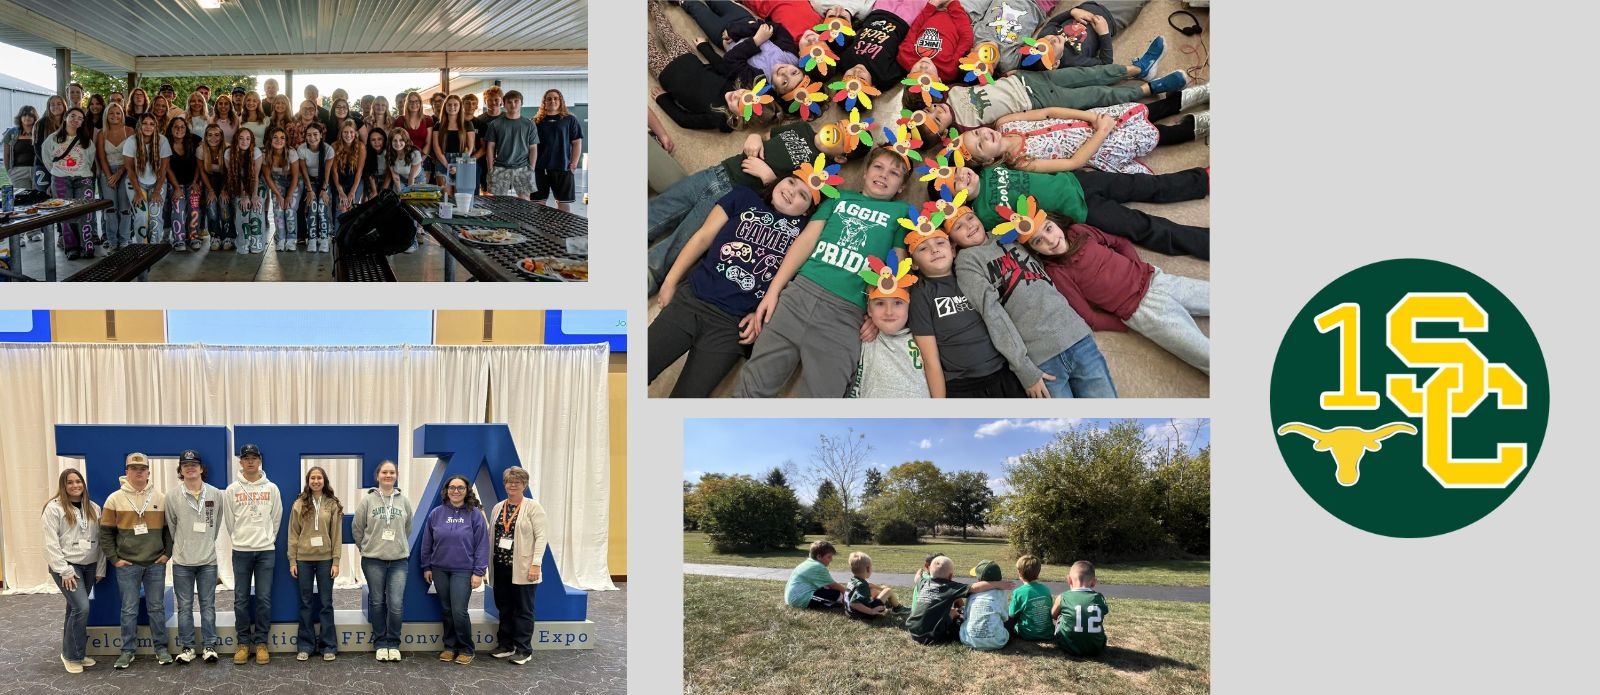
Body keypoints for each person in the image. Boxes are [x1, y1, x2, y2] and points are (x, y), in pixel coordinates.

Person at [735, 146, 912, 397]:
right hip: (799, 296)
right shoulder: (837, 198)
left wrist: (880, 314)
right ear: (865, 172)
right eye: (878, 167)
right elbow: (805, 243)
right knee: (751, 387)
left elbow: (897, 267)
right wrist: (773, 292)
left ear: (902, 186)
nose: (884, 175)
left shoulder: (901, 213)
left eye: (894, 173)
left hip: (846, 316)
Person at [647, 177, 815, 397]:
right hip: (692, 300)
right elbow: (703, 237)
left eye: (803, 195)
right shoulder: (744, 197)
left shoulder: (805, 234)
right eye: (792, 182)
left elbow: (794, 284)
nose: (792, 191)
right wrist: (670, 280)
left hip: (731, 327)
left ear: (807, 211)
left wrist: (761, 315)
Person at [947, 194, 1116, 398]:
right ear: (952, 242)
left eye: (970, 218)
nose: (969, 226)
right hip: (1041, 359)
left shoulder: (1009, 232)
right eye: (958, 227)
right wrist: (1024, 369)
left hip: (1077, 337)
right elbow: (992, 315)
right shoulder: (967, 261)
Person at [1027, 212, 1209, 373]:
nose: (1050, 240)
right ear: (1035, 251)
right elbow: (1089, 317)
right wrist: (1125, 324)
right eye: (1038, 241)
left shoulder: (1078, 231)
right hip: (1143, 311)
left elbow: (1120, 243)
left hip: (1156, 279)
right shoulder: (1057, 272)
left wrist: (1137, 267)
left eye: (1048, 228)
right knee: (1202, 353)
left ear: (1057, 223)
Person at [951, 162, 1210, 259]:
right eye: (955, 183)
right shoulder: (981, 214)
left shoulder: (989, 169)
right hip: (1080, 211)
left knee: (1142, 184)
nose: (961, 175)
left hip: (1076, 180)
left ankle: (1201, 181)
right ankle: (1204, 242)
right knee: (1140, 226)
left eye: (957, 170)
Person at [905, 200, 1027, 397]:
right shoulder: (922, 293)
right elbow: (930, 360)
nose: (934, 250)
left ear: (953, 249)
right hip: (963, 384)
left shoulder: (971, 271)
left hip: (1003, 370)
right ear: (914, 264)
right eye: (923, 248)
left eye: (940, 243)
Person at [910, 51, 1183, 136]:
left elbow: (980, 81)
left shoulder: (950, 92)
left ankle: (1138, 68)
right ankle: (1151, 88)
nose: (937, 110)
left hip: (1028, 79)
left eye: (929, 110)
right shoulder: (965, 130)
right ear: (943, 133)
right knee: (1096, 95)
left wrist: (1007, 75)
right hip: (1038, 102)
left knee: (1088, 74)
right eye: (936, 120)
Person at [960, 99, 1208, 176]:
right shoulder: (1020, 163)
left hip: (1090, 121)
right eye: (981, 144)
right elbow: (1073, 163)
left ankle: (1198, 94)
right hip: (1100, 145)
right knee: (1157, 135)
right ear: (988, 161)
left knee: (1147, 109)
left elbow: (1048, 112)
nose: (985, 135)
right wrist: (1102, 131)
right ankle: (1202, 124)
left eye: (977, 132)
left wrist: (1092, 118)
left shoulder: (1004, 123)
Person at [648, 0, 780, 132]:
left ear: (741, 118)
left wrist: (663, 100)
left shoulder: (718, 119)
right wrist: (704, 47)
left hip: (665, 73)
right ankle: (652, 4)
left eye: (739, 103)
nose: (736, 95)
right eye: (744, 94)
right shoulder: (735, 84)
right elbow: (719, 65)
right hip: (685, 57)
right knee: (665, 29)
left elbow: (684, 119)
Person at [100, 452, 174, 669]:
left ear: (148, 472)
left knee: (156, 608)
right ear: (127, 472)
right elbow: (105, 533)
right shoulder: (114, 499)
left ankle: (161, 648)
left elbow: (169, 531)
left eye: (142, 469)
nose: (138, 472)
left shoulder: (160, 498)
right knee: (129, 609)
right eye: (134, 469)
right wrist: (115, 559)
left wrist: (167, 554)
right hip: (128, 564)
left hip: (155, 563)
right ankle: (127, 651)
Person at [222, 443, 282, 666]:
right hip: (241, 551)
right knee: (241, 599)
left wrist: (267, 538)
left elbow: (276, 518)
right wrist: (239, 538)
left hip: (266, 551)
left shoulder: (272, 488)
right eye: (246, 458)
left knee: (264, 599)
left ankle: (261, 643)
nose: (250, 461)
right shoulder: (232, 490)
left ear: (260, 461)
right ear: (240, 462)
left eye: (254, 458)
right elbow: (229, 521)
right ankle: (243, 643)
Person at [419, 474, 489, 665]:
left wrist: (479, 572)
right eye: (452, 487)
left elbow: (482, 544)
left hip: (463, 570)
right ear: (446, 491)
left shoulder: (475, 514)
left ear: (467, 491)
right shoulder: (436, 514)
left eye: (460, 488)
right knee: (447, 609)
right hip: (439, 569)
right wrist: (426, 566)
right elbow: (427, 543)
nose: (456, 491)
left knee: (459, 611)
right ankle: (449, 646)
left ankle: (466, 648)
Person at [42, 468, 105, 674]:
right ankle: (71, 656)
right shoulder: (54, 508)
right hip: (68, 566)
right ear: (63, 485)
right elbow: (50, 543)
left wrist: (100, 567)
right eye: (70, 482)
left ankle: (75, 651)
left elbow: (101, 541)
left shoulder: (94, 508)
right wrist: (64, 571)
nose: (75, 485)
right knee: (82, 608)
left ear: (83, 484)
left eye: (78, 481)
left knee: (74, 609)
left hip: (89, 565)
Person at [351, 460, 414, 663]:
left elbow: (408, 527)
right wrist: (366, 548)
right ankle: (380, 643)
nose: (388, 475)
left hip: (398, 561)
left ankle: (393, 643)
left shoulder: (404, 500)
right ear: (377, 476)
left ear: (396, 476)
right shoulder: (367, 500)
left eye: (392, 472)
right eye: (384, 472)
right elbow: (357, 528)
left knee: (396, 604)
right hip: (373, 561)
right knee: (377, 602)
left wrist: (397, 545)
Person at [163, 449, 222, 664]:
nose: (190, 468)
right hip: (182, 562)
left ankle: (209, 646)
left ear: (201, 469)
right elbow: (172, 526)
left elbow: (215, 525)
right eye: (185, 465)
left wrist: (205, 542)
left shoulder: (215, 494)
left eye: (194, 465)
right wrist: (185, 544)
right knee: (184, 607)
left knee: (208, 605)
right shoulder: (172, 496)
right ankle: (187, 647)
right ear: (180, 470)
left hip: (208, 561)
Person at [846, 245, 929, 398]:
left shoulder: (923, 338)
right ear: (869, 309)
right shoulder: (864, 336)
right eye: (880, 303)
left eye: (898, 303)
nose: (889, 312)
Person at [486, 467, 547, 666]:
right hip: (501, 567)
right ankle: (506, 645)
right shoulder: (498, 507)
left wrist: (536, 564)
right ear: (505, 484)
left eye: (517, 482)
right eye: (509, 481)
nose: (512, 485)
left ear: (524, 485)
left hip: (523, 568)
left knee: (523, 610)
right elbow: (492, 535)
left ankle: (523, 649)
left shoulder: (533, 507)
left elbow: (541, 538)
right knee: (504, 607)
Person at [288, 467, 342, 662]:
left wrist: (336, 561)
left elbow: (336, 535)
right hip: (303, 559)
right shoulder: (299, 503)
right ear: (308, 481)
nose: (316, 481)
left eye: (319, 478)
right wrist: (292, 560)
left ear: (324, 480)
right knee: (306, 602)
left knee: (326, 603)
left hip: (326, 560)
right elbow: (293, 533)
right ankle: (305, 645)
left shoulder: (332, 504)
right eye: (313, 478)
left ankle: (329, 646)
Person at [905, 555, 1011, 645]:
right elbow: (974, 587)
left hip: (913, 630)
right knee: (955, 613)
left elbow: (917, 578)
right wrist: (996, 584)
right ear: (951, 576)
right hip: (932, 635)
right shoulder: (949, 586)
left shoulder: (923, 582)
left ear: (929, 572)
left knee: (952, 612)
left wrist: (919, 571)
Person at [46, 107, 98, 259]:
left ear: (82, 123)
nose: (76, 120)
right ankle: (71, 248)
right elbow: (47, 158)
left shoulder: (87, 141)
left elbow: (90, 160)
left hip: (83, 178)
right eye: (73, 116)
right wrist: (59, 171)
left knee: (85, 212)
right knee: (65, 213)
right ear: (65, 118)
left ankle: (86, 246)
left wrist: (78, 170)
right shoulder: (53, 139)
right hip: (60, 179)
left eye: (80, 118)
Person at [896, 0, 974, 82]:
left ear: (908, 76)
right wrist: (953, 5)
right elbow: (966, 39)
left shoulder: (906, 57)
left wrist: (932, 5)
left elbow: (914, 29)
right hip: (962, 12)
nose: (923, 67)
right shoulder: (948, 70)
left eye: (916, 73)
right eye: (929, 73)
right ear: (939, 80)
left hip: (932, 8)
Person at [531, 89, 583, 212]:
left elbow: (576, 142)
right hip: (540, 168)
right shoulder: (536, 121)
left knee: (563, 203)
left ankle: (563, 225)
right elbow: (530, 146)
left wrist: (574, 163)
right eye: (549, 99)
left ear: (560, 101)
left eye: (555, 98)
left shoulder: (570, 120)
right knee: (538, 203)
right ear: (544, 102)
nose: (552, 101)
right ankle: (538, 225)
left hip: (563, 168)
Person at [122, 114, 170, 245]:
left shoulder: (163, 141)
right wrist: (138, 192)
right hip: (136, 183)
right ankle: (142, 247)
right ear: (139, 125)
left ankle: (154, 246)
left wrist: (157, 191)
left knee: (155, 215)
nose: (148, 126)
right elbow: (130, 169)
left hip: (158, 183)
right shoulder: (131, 141)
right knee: (141, 216)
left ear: (156, 126)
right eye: (145, 123)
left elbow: (163, 169)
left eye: (152, 124)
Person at [484, 91, 538, 199]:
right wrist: (490, 169)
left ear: (521, 103)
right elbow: (490, 147)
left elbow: (533, 148)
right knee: (498, 202)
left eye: (516, 101)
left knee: (525, 201)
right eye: (509, 102)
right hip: (500, 167)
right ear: (504, 104)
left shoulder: (529, 124)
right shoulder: (495, 124)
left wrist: (531, 168)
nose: (513, 104)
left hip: (523, 167)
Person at [1052, 560, 1110, 656]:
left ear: (1069, 580)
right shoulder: (1099, 598)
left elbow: (1053, 615)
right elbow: (1103, 613)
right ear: (1093, 582)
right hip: (1096, 648)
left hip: (1068, 646)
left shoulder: (1063, 597)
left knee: (1060, 617)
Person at [163, 116, 203, 250]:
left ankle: (193, 236)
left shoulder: (194, 140)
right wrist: (176, 188)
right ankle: (179, 239)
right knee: (178, 208)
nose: (179, 129)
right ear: (170, 129)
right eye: (176, 126)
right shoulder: (165, 142)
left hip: (192, 182)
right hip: (175, 183)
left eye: (182, 127)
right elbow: (167, 168)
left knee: (194, 207)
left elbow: (199, 163)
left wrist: (196, 181)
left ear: (186, 129)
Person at [295, 123, 335, 253]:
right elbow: (304, 171)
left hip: (324, 181)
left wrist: (324, 190)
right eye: (309, 135)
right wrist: (309, 190)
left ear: (321, 135)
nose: (312, 138)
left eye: (315, 134)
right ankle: (312, 238)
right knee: (312, 206)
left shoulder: (328, 149)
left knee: (322, 206)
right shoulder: (302, 149)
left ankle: (324, 238)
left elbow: (327, 172)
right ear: (305, 136)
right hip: (309, 181)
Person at [226, 127, 267, 254]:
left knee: (256, 206)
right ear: (236, 140)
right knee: (243, 207)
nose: (245, 141)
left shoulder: (256, 152)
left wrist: (254, 195)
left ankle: (257, 241)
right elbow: (235, 176)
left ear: (252, 141)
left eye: (248, 139)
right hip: (238, 184)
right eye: (241, 138)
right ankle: (243, 241)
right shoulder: (228, 153)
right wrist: (244, 195)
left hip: (257, 184)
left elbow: (255, 176)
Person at [261, 125, 301, 252]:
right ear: (270, 139)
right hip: (277, 181)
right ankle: (281, 238)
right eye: (275, 137)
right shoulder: (266, 154)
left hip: (293, 182)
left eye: (282, 138)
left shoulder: (291, 153)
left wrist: (288, 196)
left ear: (286, 140)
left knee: (289, 208)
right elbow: (268, 177)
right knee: (278, 208)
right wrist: (278, 195)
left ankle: (291, 239)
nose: (279, 140)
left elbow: (295, 177)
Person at [958, 560, 1010, 650]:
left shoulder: (972, 593)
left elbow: (966, 616)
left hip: (969, 640)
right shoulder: (1001, 593)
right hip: (997, 642)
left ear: (979, 579)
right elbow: (1005, 617)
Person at [197, 124, 234, 251]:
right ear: (205, 137)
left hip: (225, 180)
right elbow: (202, 172)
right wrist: (210, 190)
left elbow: (231, 173)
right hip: (209, 180)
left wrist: (224, 190)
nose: (213, 138)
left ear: (222, 136)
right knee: (211, 206)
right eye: (210, 135)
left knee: (224, 206)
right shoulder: (201, 149)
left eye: (217, 135)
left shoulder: (228, 149)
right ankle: (215, 236)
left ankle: (228, 236)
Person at [429, 94, 474, 197]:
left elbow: (470, 148)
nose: (452, 107)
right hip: (442, 161)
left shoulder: (467, 124)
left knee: (460, 197)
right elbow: (436, 147)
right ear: (445, 106)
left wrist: (459, 165)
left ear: (460, 106)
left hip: (461, 161)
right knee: (446, 197)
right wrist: (447, 165)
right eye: (449, 105)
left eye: (455, 104)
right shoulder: (438, 125)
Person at [782, 540, 848, 609]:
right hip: (799, 600)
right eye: (829, 557)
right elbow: (833, 585)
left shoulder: (809, 562)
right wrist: (848, 594)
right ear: (819, 556)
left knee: (827, 589)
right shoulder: (818, 567)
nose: (831, 559)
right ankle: (844, 603)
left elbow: (826, 585)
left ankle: (831, 603)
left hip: (792, 599)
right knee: (836, 594)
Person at [843, 551, 907, 619]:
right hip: (864, 614)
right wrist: (871, 611)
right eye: (871, 567)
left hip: (850, 612)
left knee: (875, 590)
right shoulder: (862, 586)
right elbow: (854, 603)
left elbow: (869, 585)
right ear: (868, 569)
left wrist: (881, 589)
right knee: (888, 590)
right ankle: (898, 608)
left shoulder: (854, 580)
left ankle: (887, 603)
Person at [1006, 554, 1053, 640]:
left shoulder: (1018, 592)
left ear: (1019, 573)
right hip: (1047, 633)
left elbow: (1011, 615)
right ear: (1038, 572)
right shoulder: (1046, 589)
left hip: (1028, 634)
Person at [330, 120, 365, 238]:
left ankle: (350, 237)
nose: (348, 135)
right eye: (345, 132)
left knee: (351, 206)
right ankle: (338, 237)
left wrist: (352, 192)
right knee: (341, 207)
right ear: (341, 133)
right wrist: (340, 191)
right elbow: (334, 171)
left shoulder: (361, 147)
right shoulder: (334, 146)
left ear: (355, 133)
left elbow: (359, 171)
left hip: (355, 181)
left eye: (351, 132)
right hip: (340, 181)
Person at [470, 87, 502, 196]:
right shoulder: (479, 120)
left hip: (502, 160)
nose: (493, 102)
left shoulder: (507, 118)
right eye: (490, 100)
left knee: (500, 192)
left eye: (496, 99)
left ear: (501, 100)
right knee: (486, 190)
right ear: (485, 101)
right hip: (483, 160)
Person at [33, 95, 66, 191]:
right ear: (49, 107)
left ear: (64, 106)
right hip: (43, 165)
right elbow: (37, 147)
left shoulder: (68, 122)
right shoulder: (41, 123)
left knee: (60, 195)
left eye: (59, 104)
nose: (56, 106)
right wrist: (49, 165)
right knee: (43, 195)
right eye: (52, 105)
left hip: (63, 167)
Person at [361, 126, 388, 202]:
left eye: (379, 139)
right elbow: (369, 172)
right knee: (371, 198)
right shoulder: (367, 152)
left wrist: (382, 191)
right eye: (373, 140)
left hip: (386, 178)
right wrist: (374, 191)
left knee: (385, 198)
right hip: (373, 178)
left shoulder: (388, 152)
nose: (376, 142)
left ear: (384, 139)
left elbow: (389, 174)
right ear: (369, 142)